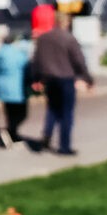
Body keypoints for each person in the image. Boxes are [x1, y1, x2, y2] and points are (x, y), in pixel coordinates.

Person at [30, 12, 94, 155]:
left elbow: (36, 60)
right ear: (66, 22)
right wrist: (88, 79)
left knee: (52, 109)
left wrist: (36, 78)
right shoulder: (69, 39)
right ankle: (64, 146)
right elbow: (79, 61)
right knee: (66, 113)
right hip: (65, 79)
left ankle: (47, 135)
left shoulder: (43, 38)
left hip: (49, 79)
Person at [0, 31, 32, 149]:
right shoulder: (18, 53)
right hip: (17, 87)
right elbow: (27, 68)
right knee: (22, 114)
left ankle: (13, 135)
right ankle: (9, 131)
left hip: (2, 88)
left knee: (10, 113)